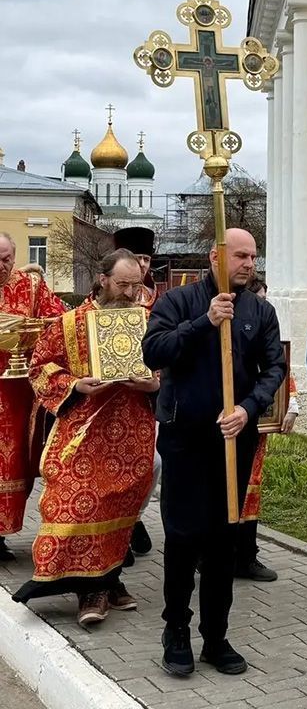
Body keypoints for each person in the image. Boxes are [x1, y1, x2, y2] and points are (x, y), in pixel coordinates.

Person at [142, 228, 286, 678]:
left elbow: (274, 368)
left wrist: (248, 408)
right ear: (215, 256)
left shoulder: (260, 310)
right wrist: (204, 321)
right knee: (184, 537)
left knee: (224, 539)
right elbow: (154, 352)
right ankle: (176, 631)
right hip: (185, 437)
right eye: (240, 255)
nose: (248, 263)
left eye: (252, 257)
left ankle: (217, 636)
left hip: (232, 439)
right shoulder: (178, 302)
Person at [11, 249, 158, 627]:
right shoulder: (69, 323)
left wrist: (154, 383)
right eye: (122, 284)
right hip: (82, 433)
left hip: (131, 435)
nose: (129, 292)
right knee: (78, 504)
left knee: (120, 510)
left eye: (135, 285)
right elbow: (39, 366)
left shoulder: (149, 321)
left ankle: (108, 580)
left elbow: (168, 368)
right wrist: (75, 384)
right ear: (103, 279)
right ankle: (87, 589)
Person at [0, 231, 67, 562]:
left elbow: (58, 321)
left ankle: (0, 532)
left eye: (6, 258)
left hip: (17, 391)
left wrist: (33, 331)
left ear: (14, 255)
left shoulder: (32, 286)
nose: (2, 265)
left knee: (15, 461)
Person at [234, 275, 299, 583]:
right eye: (258, 300)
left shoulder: (265, 328)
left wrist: (291, 405)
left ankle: (247, 555)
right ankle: (211, 556)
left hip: (258, 426)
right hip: (229, 423)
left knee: (251, 490)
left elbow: (280, 371)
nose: (263, 306)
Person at [114, 226, 159, 557]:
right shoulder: (103, 299)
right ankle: (120, 527)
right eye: (135, 258)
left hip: (149, 398)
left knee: (154, 463)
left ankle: (133, 519)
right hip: (109, 400)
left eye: (146, 258)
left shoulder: (162, 300)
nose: (142, 265)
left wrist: (158, 382)